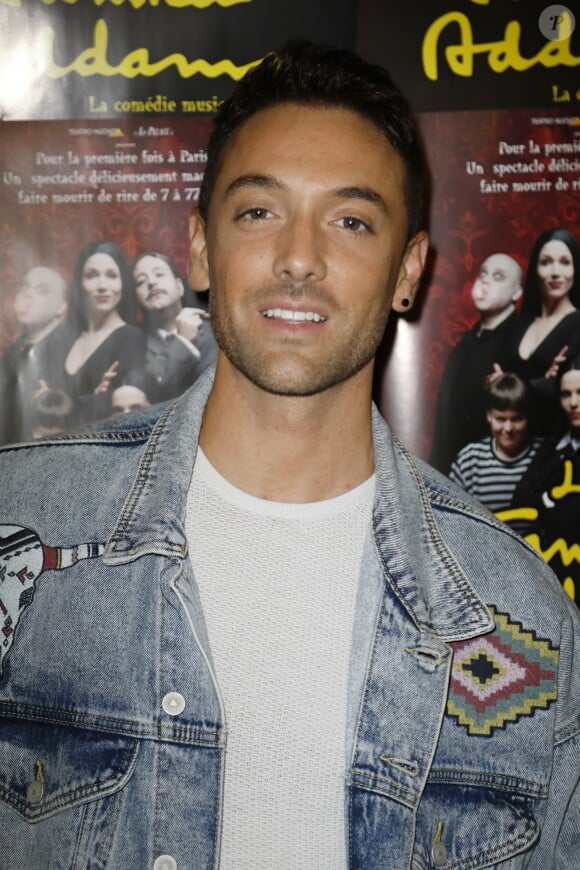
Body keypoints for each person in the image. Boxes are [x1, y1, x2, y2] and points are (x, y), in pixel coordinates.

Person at [0, 42, 577, 870]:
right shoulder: (21, 526)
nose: (299, 258)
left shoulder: (520, 616)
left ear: (408, 269)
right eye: (260, 212)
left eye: (350, 221)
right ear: (200, 247)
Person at [430, 252, 523, 472]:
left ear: (517, 292)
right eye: (484, 274)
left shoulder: (524, 339)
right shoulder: (464, 345)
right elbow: (445, 423)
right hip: (454, 474)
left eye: (498, 276)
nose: (486, 280)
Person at [512, 355, 580, 604]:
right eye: (565, 394)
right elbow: (520, 496)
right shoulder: (555, 445)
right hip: (555, 574)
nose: (573, 403)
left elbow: (570, 517)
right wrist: (551, 500)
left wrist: (544, 504)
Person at [60, 240, 146, 425]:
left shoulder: (131, 338)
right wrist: (94, 399)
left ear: (123, 283)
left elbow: (122, 413)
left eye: (112, 275)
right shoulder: (66, 339)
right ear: (80, 284)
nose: (102, 285)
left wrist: (59, 403)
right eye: (91, 275)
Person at [449, 372, 541, 513]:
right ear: (489, 416)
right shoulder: (469, 461)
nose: (508, 428)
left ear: (527, 417)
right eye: (501, 419)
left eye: (517, 419)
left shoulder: (544, 454)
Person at [132, 250, 217, 402]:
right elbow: (149, 393)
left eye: (159, 274)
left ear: (180, 286)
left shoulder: (215, 329)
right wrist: (182, 341)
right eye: (141, 281)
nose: (151, 283)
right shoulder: (135, 346)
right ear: (137, 298)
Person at [0, 266, 68, 444]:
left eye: (41, 290)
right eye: (25, 287)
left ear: (61, 306)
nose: (27, 295)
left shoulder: (73, 351)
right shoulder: (11, 354)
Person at [507, 228, 580, 387]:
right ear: (535, 269)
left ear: (575, 269)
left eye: (565, 262)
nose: (555, 272)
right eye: (546, 262)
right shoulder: (519, 324)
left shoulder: (578, 325)